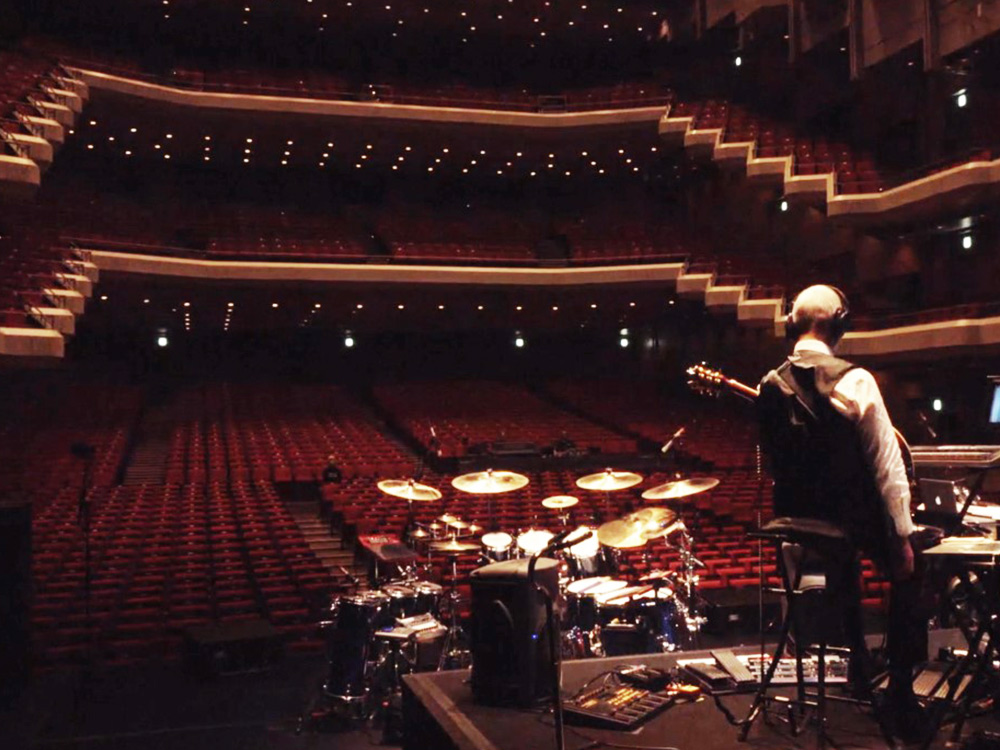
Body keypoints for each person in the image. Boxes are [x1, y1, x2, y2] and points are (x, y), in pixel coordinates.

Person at [756, 284, 928, 742]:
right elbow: (888, 470)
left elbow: (775, 464)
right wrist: (902, 537)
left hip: (793, 525)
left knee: (844, 554)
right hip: (847, 523)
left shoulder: (768, 385)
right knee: (915, 560)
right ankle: (901, 694)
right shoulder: (856, 380)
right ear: (839, 325)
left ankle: (858, 660)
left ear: (792, 325)